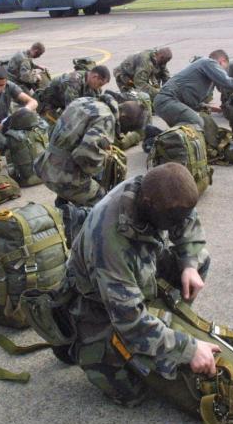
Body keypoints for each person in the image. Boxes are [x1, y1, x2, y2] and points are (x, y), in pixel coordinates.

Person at [64, 162, 216, 405]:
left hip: (138, 267)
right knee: (131, 393)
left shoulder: (160, 191)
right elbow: (130, 322)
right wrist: (189, 349)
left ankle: (165, 325)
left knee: (200, 260)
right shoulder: (110, 241)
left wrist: (188, 264)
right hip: (97, 302)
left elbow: (186, 219)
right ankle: (86, 341)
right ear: (148, 205)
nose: (177, 222)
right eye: (171, 219)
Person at [33, 96, 147, 207]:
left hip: (44, 163)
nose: (124, 133)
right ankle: (75, 219)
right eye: (127, 129)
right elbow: (84, 155)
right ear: (124, 118)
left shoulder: (85, 100)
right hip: (61, 175)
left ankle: (64, 208)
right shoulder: (107, 118)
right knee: (104, 202)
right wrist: (99, 171)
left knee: (85, 184)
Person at [154, 49, 233, 129]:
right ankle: (161, 142)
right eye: (225, 68)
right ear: (222, 61)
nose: (224, 71)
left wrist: (210, 108)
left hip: (170, 102)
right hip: (167, 100)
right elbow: (226, 80)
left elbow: (189, 98)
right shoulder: (208, 62)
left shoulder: (205, 73)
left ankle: (155, 135)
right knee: (196, 122)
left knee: (202, 123)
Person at [0, 65, 38, 151]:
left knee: (27, 138)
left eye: (1, 85)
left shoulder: (9, 86)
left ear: (6, 81)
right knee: (4, 145)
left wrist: (23, 110)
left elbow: (33, 102)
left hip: (5, 124)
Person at [38, 66, 110, 118]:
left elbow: (95, 104)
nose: (100, 87)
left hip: (62, 105)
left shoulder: (93, 85)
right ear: (94, 77)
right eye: (100, 84)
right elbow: (72, 110)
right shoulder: (73, 81)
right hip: (49, 106)